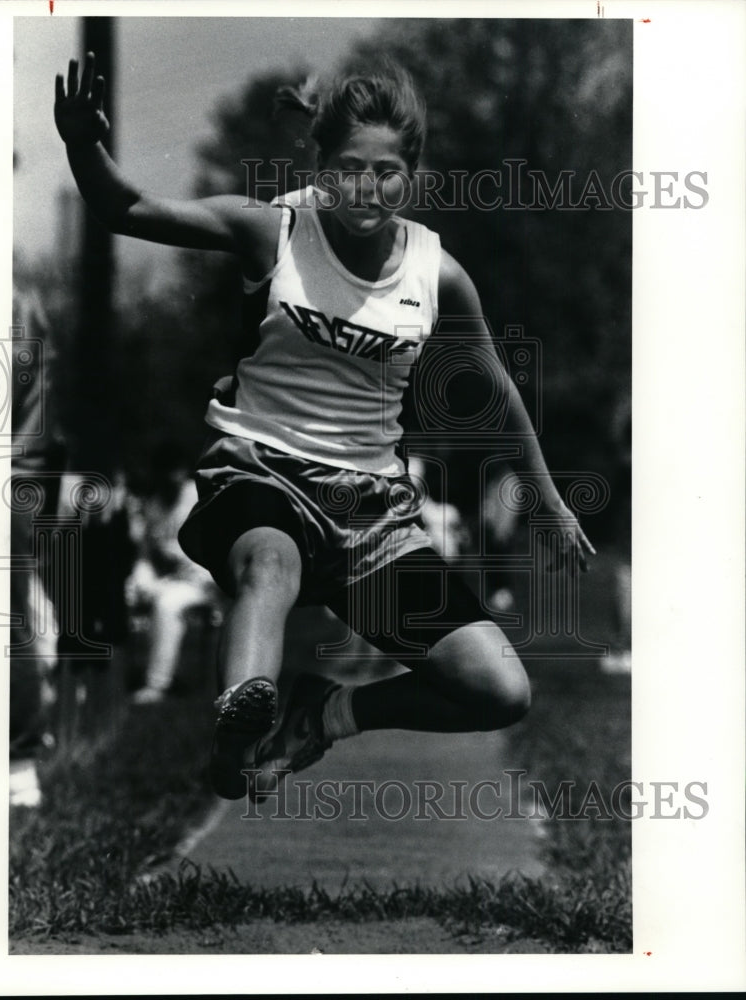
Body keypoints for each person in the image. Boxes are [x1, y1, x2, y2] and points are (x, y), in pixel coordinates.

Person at [54, 53, 595, 802]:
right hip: (260, 470)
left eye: (386, 172)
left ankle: (323, 711)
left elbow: (497, 395)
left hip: (368, 509)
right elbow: (130, 212)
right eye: (347, 169)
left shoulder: (436, 275)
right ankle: (239, 724)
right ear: (320, 165)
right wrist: (84, 146)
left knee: (498, 687)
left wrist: (549, 501)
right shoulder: (270, 230)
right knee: (267, 566)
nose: (365, 190)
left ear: (413, 173)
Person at [127, 450, 221, 704]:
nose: (174, 479)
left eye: (178, 473)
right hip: (165, 579)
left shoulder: (198, 497)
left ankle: (157, 684)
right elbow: (144, 554)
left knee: (166, 605)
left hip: (199, 583)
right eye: (168, 473)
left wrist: (176, 558)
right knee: (127, 594)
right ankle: (113, 679)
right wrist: (141, 579)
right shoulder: (154, 501)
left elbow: (212, 554)